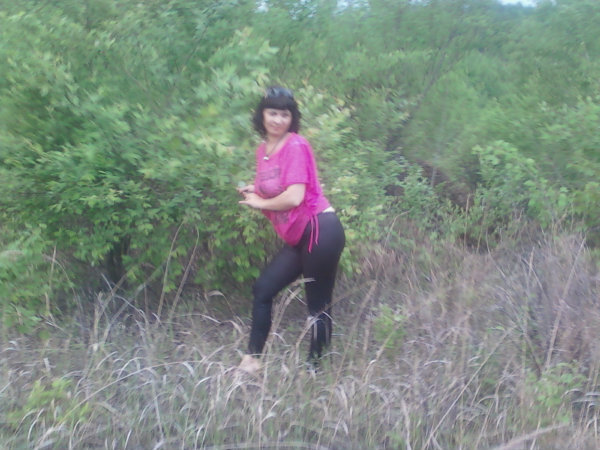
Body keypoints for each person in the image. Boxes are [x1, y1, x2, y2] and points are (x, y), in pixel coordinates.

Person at [237, 86, 345, 373]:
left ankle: (315, 370)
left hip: (320, 229)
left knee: (317, 305)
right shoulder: (263, 150)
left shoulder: (295, 145)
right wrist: (255, 190)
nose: (277, 120)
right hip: (300, 234)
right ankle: (253, 361)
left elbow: (295, 197)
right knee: (263, 289)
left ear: (291, 118)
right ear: (262, 115)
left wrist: (260, 202)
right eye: (272, 113)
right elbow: (276, 186)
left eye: (284, 114)